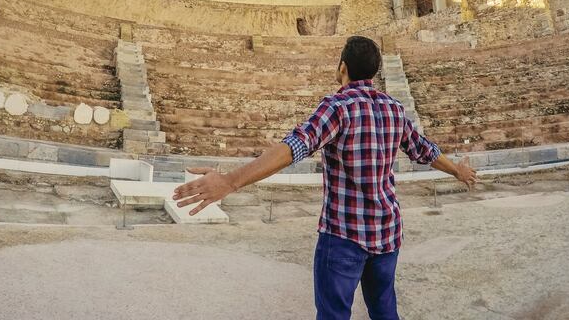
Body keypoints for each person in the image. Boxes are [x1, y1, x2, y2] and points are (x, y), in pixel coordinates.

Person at [173, 35, 477, 319]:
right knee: (385, 311)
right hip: (387, 233)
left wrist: (230, 181)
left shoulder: (337, 107)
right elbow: (425, 150)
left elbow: (295, 146)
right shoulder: (395, 110)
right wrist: (458, 171)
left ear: (342, 67)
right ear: (373, 72)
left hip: (343, 237)